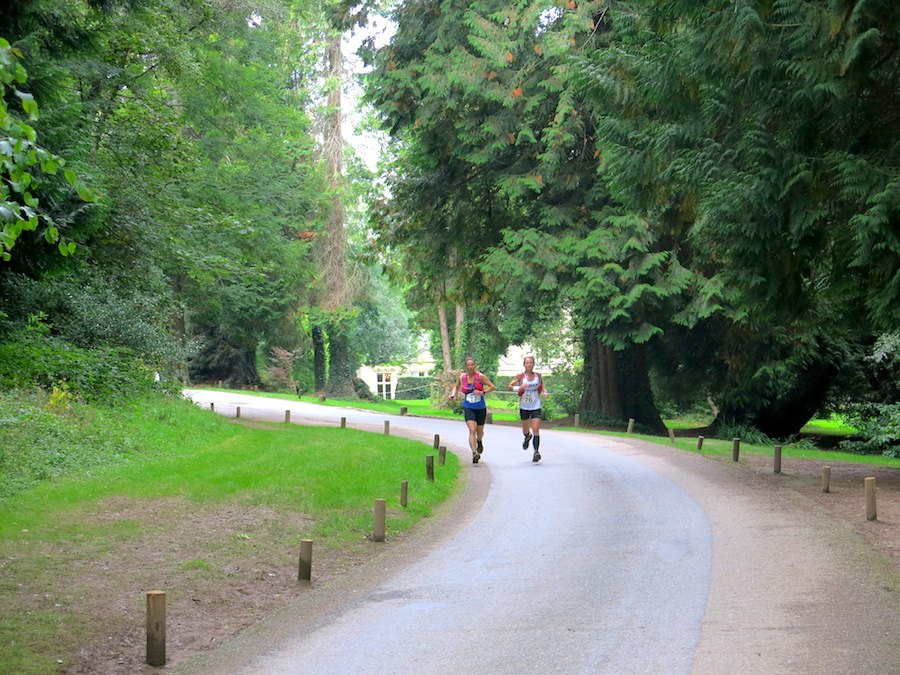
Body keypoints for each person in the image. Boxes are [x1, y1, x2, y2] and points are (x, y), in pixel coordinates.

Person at [448, 357, 496, 463]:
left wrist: (483, 392)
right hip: (468, 406)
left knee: (480, 432)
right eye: (468, 365)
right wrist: (453, 394)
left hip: (480, 407)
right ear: (466, 367)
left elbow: (492, 387)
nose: (470, 367)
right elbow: (456, 387)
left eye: (472, 365)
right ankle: (474, 453)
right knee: (472, 430)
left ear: (475, 366)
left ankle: (479, 441)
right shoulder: (462, 377)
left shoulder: (480, 376)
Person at [507, 355, 548, 462]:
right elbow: (510, 387)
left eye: (531, 363)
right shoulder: (520, 376)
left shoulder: (538, 375)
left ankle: (536, 452)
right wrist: (519, 388)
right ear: (524, 364)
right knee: (526, 429)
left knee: (535, 429)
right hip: (524, 405)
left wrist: (544, 391)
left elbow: (541, 385)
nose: (529, 364)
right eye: (527, 363)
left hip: (535, 404)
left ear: (533, 364)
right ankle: (527, 436)